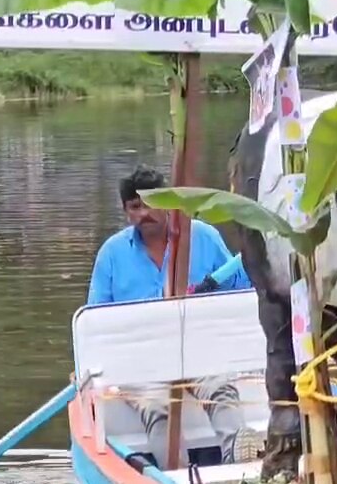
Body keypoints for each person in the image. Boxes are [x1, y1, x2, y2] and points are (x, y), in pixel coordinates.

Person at [87, 165, 263, 467]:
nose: (145, 213)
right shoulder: (111, 254)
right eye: (135, 206)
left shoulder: (203, 237)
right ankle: (175, 474)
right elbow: (96, 321)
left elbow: (241, 290)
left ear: (168, 204)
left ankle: (239, 462)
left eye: (153, 204)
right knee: (157, 407)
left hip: (198, 349)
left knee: (221, 390)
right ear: (126, 211)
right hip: (140, 363)